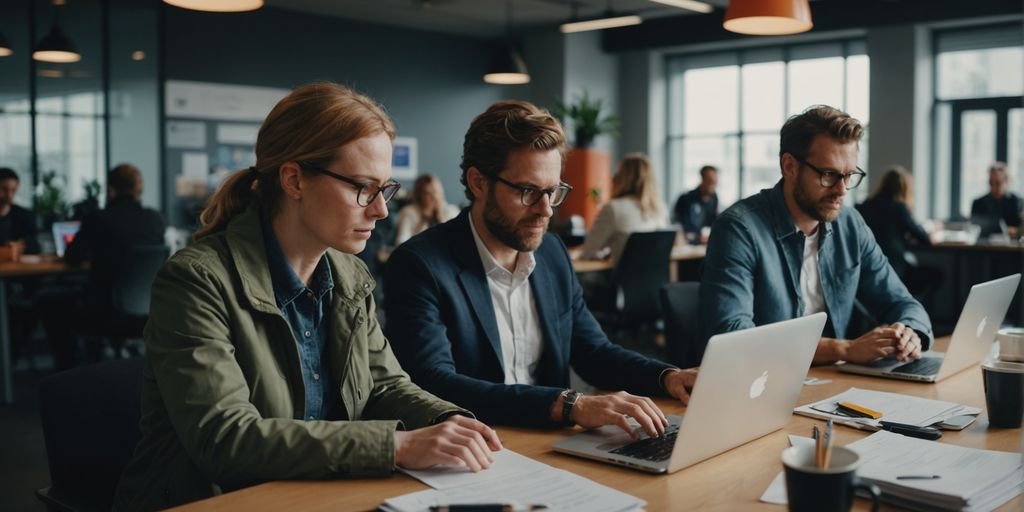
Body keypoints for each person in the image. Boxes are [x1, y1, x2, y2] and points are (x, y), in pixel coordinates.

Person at [113, 83, 501, 511]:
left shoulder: (349, 274)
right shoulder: (196, 281)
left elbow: (384, 385)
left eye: (385, 189)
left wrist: (448, 419)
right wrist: (396, 446)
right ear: (295, 179)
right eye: (362, 188)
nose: (381, 210)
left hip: (318, 495)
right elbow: (225, 439)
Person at [384, 100, 698, 440]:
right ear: (478, 183)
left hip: (551, 443)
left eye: (553, 191)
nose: (546, 210)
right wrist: (568, 405)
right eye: (528, 192)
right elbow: (434, 382)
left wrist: (666, 377)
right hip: (472, 445)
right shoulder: (420, 265)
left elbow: (593, 351)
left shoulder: (551, 253)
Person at [700, 105, 933, 366]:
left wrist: (909, 333)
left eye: (849, 175)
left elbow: (902, 302)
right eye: (829, 175)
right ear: (789, 167)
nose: (842, 190)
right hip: (760, 382)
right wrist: (843, 350)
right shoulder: (739, 229)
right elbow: (734, 338)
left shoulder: (850, 224)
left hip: (830, 384)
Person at [38, 164, 166, 368]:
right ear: (138, 190)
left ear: (111, 190)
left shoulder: (98, 218)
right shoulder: (155, 219)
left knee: (50, 300)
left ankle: (70, 370)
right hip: (148, 311)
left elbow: (73, 258)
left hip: (106, 312)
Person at [856, 166, 941, 298]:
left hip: (865, 269)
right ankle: (912, 308)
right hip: (894, 269)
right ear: (904, 188)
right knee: (937, 274)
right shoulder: (899, 209)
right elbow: (923, 238)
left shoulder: (863, 207)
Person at [578, 153, 669, 263]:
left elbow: (588, 252)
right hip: (656, 280)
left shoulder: (613, 208)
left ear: (621, 177)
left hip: (620, 279)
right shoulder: (659, 209)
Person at [394, 174, 459, 246]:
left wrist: (440, 216)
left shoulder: (452, 211)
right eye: (428, 193)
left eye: (436, 191)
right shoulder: (408, 212)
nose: (435, 196)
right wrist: (423, 219)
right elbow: (401, 242)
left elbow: (456, 240)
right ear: (419, 195)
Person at [971, 162, 1023, 237]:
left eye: (998, 183)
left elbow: (1020, 229)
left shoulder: (1017, 202)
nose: (994, 187)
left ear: (1007, 181)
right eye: (991, 183)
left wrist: (1015, 231)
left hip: (1011, 246)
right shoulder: (978, 203)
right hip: (984, 246)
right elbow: (974, 227)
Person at [672, 165, 718, 242]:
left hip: (705, 242)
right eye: (710, 181)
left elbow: (713, 222)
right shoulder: (686, 199)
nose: (713, 186)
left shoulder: (714, 199)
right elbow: (681, 225)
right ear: (702, 179)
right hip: (687, 242)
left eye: (715, 182)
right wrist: (697, 237)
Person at [0, 167, 38, 253]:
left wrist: (19, 247)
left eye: (13, 190)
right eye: (4, 190)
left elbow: (35, 247)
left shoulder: (25, 216)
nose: (9, 195)